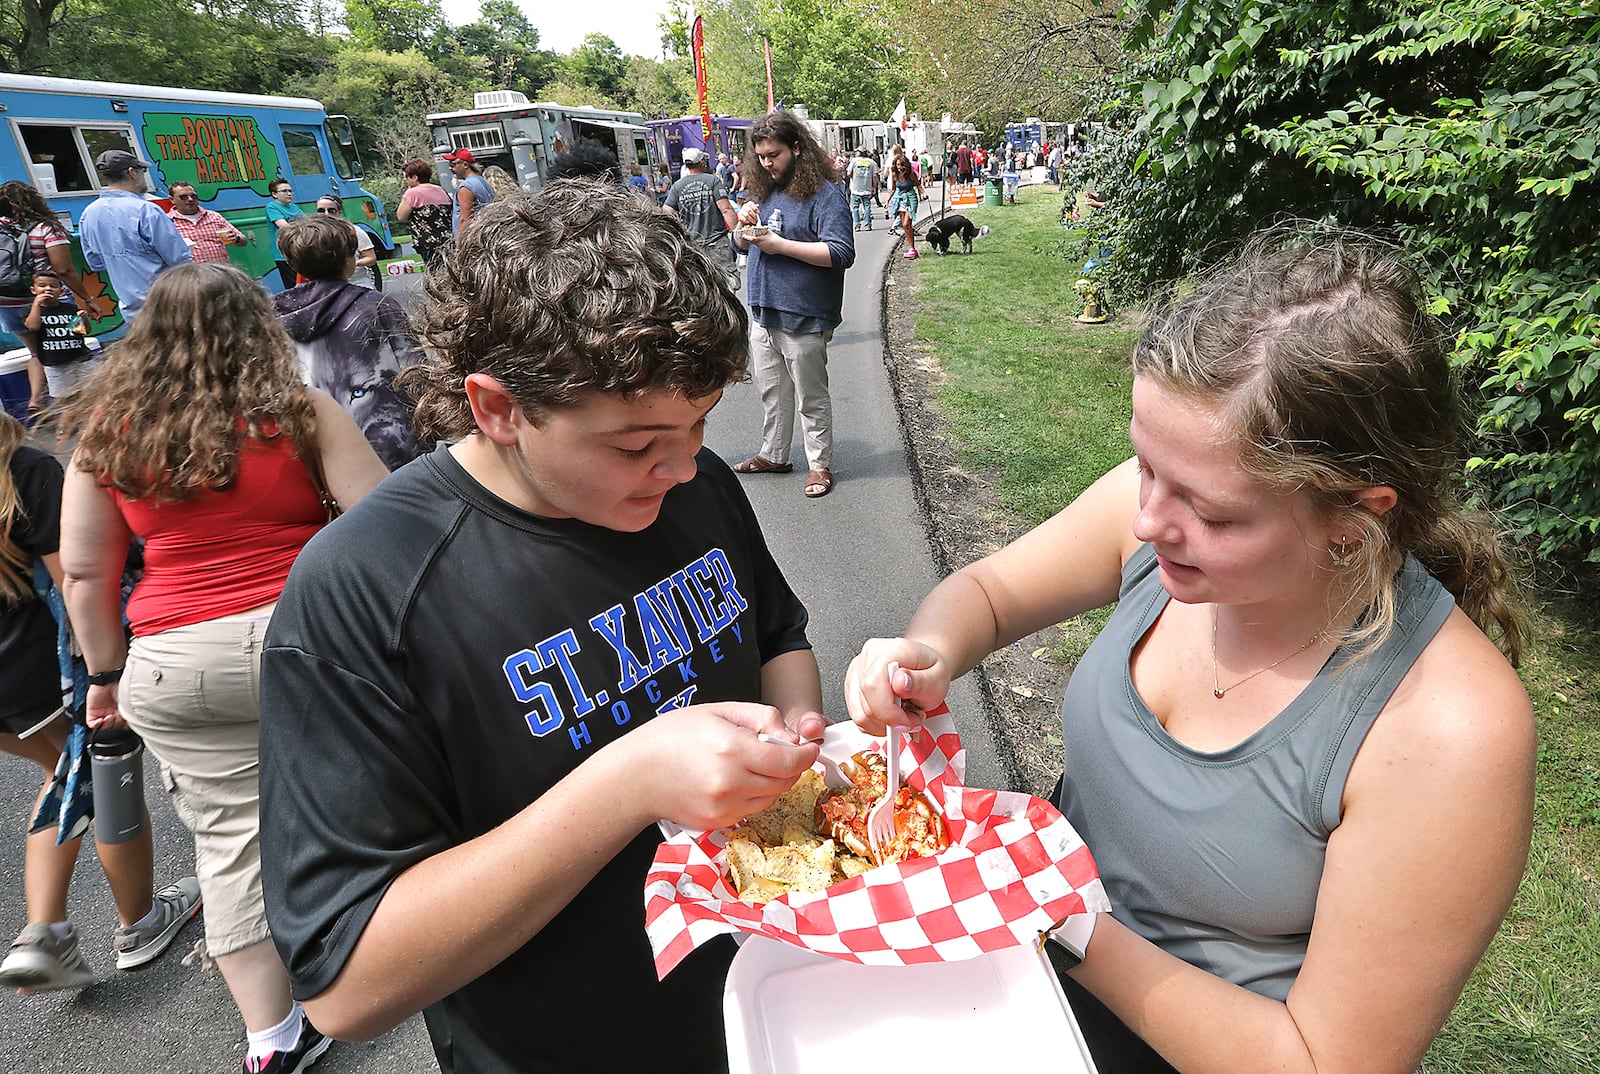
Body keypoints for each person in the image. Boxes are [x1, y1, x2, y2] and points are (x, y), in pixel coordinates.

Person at [845, 232, 1536, 1074]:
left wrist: (1045, 907)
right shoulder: (1168, 514)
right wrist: (926, 650)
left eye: (1213, 514)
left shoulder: (1448, 729)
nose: (1146, 523)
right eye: (1145, 466)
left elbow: (1325, 1061)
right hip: (1019, 987)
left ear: (1356, 520)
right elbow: (987, 596)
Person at [255, 180, 826, 1074]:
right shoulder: (368, 587)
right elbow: (350, 982)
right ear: (498, 409)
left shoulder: (697, 482)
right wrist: (627, 783)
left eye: (702, 424)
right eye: (635, 445)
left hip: (782, 996)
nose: (680, 466)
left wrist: (796, 750)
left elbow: (778, 635)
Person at [58, 262, 387, 1074]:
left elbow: (90, 574)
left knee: (230, 839)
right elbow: (382, 524)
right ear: (258, 328)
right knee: (364, 789)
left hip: (176, 662)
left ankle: (272, 1040)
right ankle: (381, 957)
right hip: (311, 635)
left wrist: (105, 676)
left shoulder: (105, 433)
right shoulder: (298, 412)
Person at [0, 410, 202, 994]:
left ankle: (53, 928)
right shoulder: (21, 470)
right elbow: (77, 583)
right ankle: (123, 925)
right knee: (100, 773)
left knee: (57, 774)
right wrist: (104, 671)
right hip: (32, 673)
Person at [732, 111, 856, 500]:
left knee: (810, 397)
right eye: (762, 157)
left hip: (804, 314)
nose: (767, 163)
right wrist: (741, 227)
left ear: (797, 149)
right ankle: (774, 455)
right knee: (772, 393)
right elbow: (740, 244)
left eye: (775, 155)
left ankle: (819, 464)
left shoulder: (825, 194)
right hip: (764, 311)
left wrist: (778, 246)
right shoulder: (765, 189)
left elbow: (841, 253)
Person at [274, 215, 426, 470]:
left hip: (321, 443)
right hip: (393, 443)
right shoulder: (377, 305)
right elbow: (413, 367)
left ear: (293, 263)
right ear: (349, 260)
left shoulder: (274, 315)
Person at [0, 180, 113, 414]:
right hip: (51, 298)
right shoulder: (46, 229)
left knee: (36, 352)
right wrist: (88, 298)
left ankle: (36, 399)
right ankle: (80, 403)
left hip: (7, 301)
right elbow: (64, 271)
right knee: (70, 346)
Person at [77, 150, 191, 323]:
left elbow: (96, 263)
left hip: (133, 314)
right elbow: (180, 260)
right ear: (132, 172)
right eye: (142, 171)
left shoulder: (88, 214)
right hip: (170, 307)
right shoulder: (146, 210)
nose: (143, 176)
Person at [664, 146, 740, 290]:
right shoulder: (712, 181)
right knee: (728, 283)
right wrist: (737, 233)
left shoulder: (677, 187)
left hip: (693, 247)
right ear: (702, 163)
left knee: (702, 287)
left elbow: (667, 212)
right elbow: (726, 209)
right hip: (716, 242)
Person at [23, 272, 102, 405]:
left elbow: (83, 331)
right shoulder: (32, 311)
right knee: (64, 399)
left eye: (53, 286)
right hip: (55, 363)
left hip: (81, 358)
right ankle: (69, 423)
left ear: (61, 291)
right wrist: (36, 304)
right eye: (42, 286)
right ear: (33, 290)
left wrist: (83, 319)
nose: (48, 289)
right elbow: (33, 326)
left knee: (93, 392)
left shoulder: (69, 308)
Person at [165, 181, 250, 265]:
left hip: (220, 272)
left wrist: (236, 239)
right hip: (190, 275)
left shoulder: (214, 216)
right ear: (172, 200)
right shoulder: (167, 222)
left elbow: (243, 241)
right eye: (183, 197)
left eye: (193, 196)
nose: (190, 199)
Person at [394, 159, 453, 272]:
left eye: (406, 177)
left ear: (415, 177)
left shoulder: (413, 193)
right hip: (447, 239)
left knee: (434, 272)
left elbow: (401, 216)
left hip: (427, 242)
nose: (406, 180)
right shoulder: (440, 190)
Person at [312, 194, 378, 290]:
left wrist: (351, 264)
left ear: (339, 212)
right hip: (328, 286)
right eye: (321, 211)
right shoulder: (313, 234)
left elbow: (371, 258)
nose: (326, 214)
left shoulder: (355, 231)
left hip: (357, 283)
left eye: (331, 211)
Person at [263, 178, 305, 291]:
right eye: (285, 191)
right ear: (274, 194)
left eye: (290, 190)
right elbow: (285, 226)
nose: (289, 193)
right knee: (293, 285)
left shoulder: (294, 207)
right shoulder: (271, 207)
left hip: (299, 249)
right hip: (283, 253)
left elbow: (308, 222)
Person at [442, 148, 494, 237]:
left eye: (452, 164)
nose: (450, 168)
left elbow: (465, 219)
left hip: (473, 239)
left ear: (465, 164)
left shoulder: (466, 187)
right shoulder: (484, 181)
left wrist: (460, 245)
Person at [887, 152, 924, 259]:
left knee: (906, 222)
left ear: (906, 165)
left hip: (911, 198)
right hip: (901, 199)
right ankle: (912, 248)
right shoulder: (895, 175)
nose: (900, 167)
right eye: (898, 165)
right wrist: (888, 201)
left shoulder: (910, 174)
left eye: (902, 165)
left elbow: (918, 185)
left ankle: (912, 249)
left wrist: (923, 193)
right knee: (905, 226)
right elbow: (893, 189)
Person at [845, 146, 879, 232]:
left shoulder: (854, 161)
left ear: (859, 152)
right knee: (867, 206)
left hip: (855, 188)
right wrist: (874, 187)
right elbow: (875, 176)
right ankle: (867, 225)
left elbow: (848, 173)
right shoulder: (871, 162)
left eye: (857, 151)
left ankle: (857, 225)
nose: (855, 153)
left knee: (855, 207)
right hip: (867, 187)